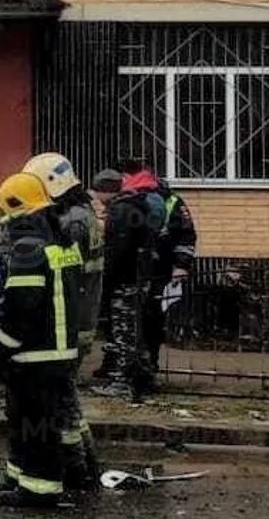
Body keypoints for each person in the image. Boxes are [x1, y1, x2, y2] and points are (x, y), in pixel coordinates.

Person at [0, 173, 83, 509]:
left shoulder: (28, 247)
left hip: (35, 356)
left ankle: (38, 491)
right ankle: (20, 477)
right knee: (29, 422)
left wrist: (0, 351)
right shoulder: (62, 241)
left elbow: (21, 307)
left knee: (35, 427)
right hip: (59, 351)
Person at [21, 154, 102, 489]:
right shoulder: (84, 213)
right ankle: (87, 462)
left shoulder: (74, 220)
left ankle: (77, 469)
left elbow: (57, 252)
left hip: (70, 323)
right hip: (81, 317)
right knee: (68, 396)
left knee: (63, 402)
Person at [121, 160, 197, 392]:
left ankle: (147, 369)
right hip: (131, 272)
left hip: (159, 272)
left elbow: (186, 235)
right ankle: (127, 369)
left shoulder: (170, 200)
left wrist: (181, 265)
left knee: (151, 319)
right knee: (128, 321)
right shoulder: (126, 200)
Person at [88, 169, 156, 401]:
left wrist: (106, 281)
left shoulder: (120, 211)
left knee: (124, 332)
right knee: (136, 331)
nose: (96, 198)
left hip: (125, 281)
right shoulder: (135, 206)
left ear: (106, 190)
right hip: (138, 278)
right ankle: (144, 377)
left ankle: (123, 383)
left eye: (98, 191)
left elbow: (116, 251)